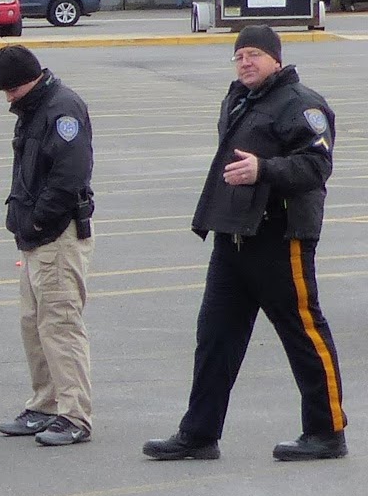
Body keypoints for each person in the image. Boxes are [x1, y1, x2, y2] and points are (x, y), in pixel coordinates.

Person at [147, 25, 347, 462]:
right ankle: (199, 434)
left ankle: (327, 431)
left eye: (254, 54)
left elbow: (316, 165)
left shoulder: (303, 104)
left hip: (281, 236)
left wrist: (265, 170)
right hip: (233, 236)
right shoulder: (238, 97)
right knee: (215, 337)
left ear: (276, 58)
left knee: (303, 333)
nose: (245, 63)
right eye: (239, 56)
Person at [0, 45, 95, 448]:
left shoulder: (62, 109)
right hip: (35, 238)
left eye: (12, 88)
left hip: (58, 236)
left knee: (61, 325)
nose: (9, 97)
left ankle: (75, 415)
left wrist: (37, 219)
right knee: (34, 324)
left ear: (30, 79)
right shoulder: (35, 108)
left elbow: (70, 175)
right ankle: (45, 404)